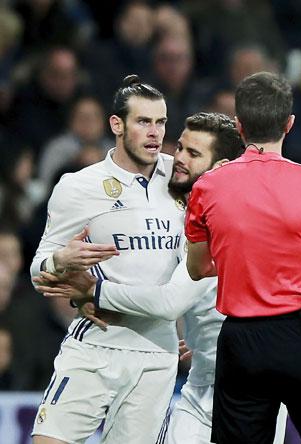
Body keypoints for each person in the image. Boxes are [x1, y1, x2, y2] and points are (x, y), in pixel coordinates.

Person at [33, 112, 288, 444]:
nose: (178, 159)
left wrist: (94, 290)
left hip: (256, 393)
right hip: (198, 388)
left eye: (193, 154)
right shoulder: (184, 208)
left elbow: (170, 301)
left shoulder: (229, 221)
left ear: (221, 166)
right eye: (180, 147)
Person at [185, 71, 301, 444]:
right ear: (289, 124)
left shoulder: (207, 186)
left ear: (239, 127)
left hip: (243, 342)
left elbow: (197, 268)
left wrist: (243, 254)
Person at [29, 75, 185, 444]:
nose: (155, 132)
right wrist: (61, 259)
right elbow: (39, 271)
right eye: (143, 121)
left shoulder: (182, 180)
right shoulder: (78, 186)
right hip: (96, 343)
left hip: (156, 353)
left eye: (161, 122)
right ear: (117, 124)